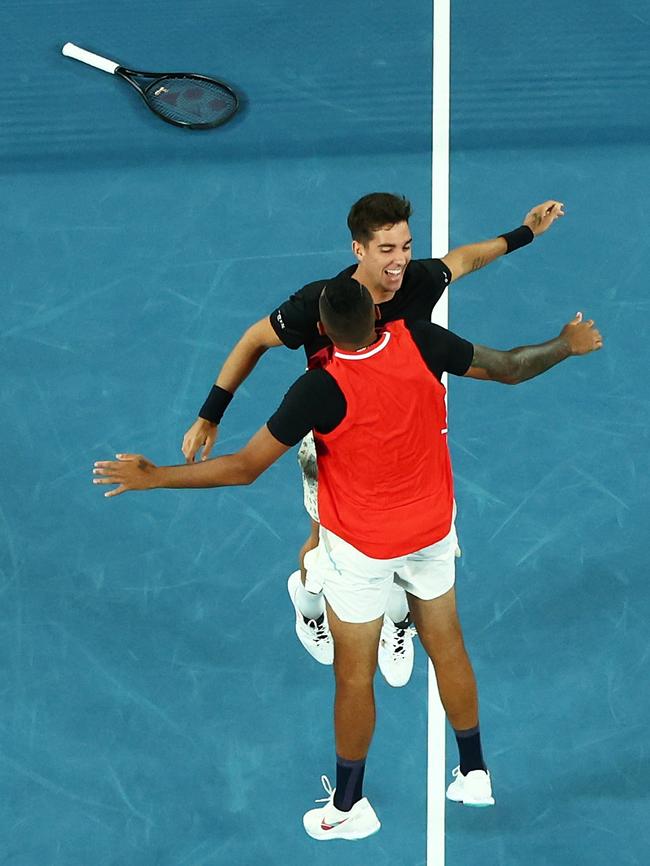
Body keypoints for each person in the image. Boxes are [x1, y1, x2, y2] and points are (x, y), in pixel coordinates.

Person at [92, 278, 602, 840]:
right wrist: (564, 343)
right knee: (449, 645)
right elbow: (509, 366)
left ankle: (350, 804)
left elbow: (243, 469)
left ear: (326, 332)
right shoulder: (422, 340)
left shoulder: (319, 387)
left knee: (354, 677)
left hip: (361, 549)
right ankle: (476, 769)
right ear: (376, 316)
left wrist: (156, 477)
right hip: (431, 529)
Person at [180, 192, 566, 687]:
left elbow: (463, 259)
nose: (400, 260)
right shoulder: (321, 302)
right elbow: (255, 338)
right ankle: (309, 602)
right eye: (386, 249)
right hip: (337, 447)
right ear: (358, 249)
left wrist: (526, 231)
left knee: (414, 547)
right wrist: (211, 414)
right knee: (325, 544)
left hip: (409, 436)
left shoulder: (417, 280)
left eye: (405, 246)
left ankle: (396, 621)